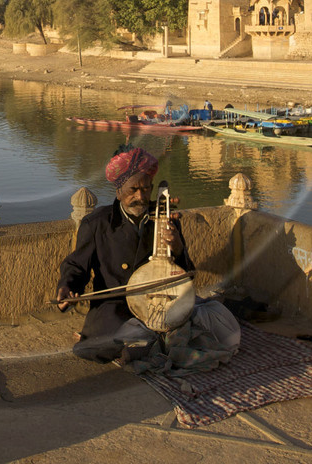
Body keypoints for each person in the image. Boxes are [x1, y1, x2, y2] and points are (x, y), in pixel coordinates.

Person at [56, 145, 240, 370]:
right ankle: (149, 343)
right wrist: (67, 286)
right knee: (97, 347)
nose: (140, 197)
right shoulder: (98, 223)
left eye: (146, 189)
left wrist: (178, 247)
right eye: (133, 190)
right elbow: (77, 265)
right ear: (118, 190)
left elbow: (186, 275)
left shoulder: (166, 218)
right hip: (116, 305)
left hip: (159, 301)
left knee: (218, 327)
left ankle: (147, 344)